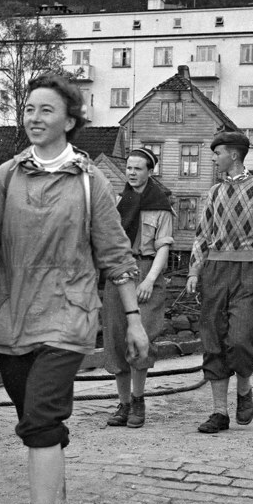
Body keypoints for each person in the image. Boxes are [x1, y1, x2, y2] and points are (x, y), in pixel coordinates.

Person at [0, 74, 148, 504]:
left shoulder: (91, 182)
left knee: (41, 418)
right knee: (37, 421)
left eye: (45, 110)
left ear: (70, 121)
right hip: (9, 316)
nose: (33, 117)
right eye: (28, 109)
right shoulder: (5, 176)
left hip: (68, 316)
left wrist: (133, 321)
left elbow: (115, 256)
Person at [186, 131, 253, 434]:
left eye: (217, 154)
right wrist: (193, 271)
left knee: (241, 338)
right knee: (213, 338)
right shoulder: (213, 192)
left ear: (234, 156)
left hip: (248, 271)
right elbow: (202, 235)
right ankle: (218, 413)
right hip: (215, 271)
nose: (213, 159)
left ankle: (243, 390)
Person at [104, 148, 173, 429]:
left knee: (142, 340)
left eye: (138, 168)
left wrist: (149, 280)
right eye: (129, 168)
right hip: (118, 272)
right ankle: (123, 404)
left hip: (146, 273)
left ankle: (138, 400)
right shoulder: (117, 201)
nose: (132, 173)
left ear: (150, 171)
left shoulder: (161, 205)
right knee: (117, 339)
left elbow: (163, 247)